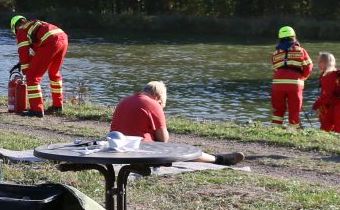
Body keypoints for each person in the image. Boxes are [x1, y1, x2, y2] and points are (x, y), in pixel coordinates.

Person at [110, 81, 245, 165]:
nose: (161, 107)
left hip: (116, 149)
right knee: (181, 150)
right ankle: (219, 159)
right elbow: (163, 139)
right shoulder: (153, 104)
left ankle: (218, 158)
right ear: (158, 98)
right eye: (162, 104)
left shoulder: (124, 100)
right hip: (140, 152)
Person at [10, 15, 69, 117]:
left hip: (51, 42)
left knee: (32, 77)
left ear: (14, 28)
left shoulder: (21, 30)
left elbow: (23, 51)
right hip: (63, 38)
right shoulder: (33, 25)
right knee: (54, 73)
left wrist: (26, 71)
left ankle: (36, 110)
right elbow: (38, 51)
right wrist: (21, 63)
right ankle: (57, 106)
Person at [269, 26, 312, 128]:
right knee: (294, 109)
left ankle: (275, 129)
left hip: (278, 84)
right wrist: (303, 77)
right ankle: (293, 131)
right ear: (294, 37)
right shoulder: (301, 51)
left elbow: (275, 69)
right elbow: (309, 66)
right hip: (295, 83)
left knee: (278, 109)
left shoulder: (276, 54)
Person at [311, 53, 340, 134]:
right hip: (335, 105)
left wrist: (315, 106)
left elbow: (325, 95)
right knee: (325, 127)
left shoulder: (330, 75)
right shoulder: (333, 73)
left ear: (324, 63)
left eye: (319, 62)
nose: (318, 64)